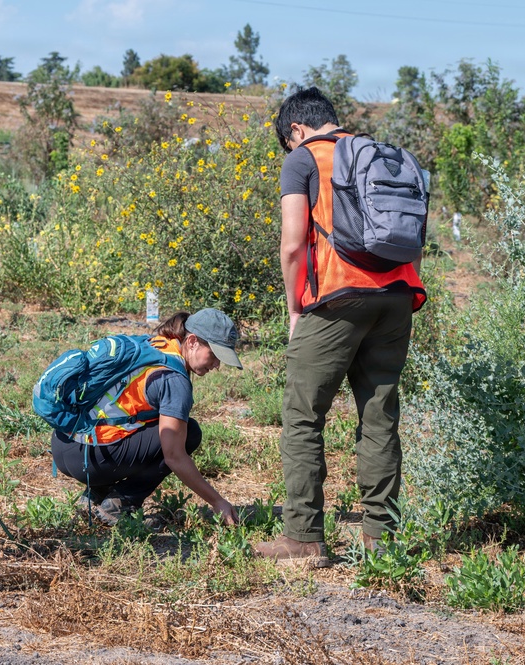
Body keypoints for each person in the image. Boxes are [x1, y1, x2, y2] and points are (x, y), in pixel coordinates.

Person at [255, 87, 427, 567]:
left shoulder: (304, 158)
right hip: (397, 295)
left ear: (296, 130)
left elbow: (293, 245)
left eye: (288, 142)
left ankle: (304, 537)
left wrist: (295, 308)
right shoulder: (378, 154)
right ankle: (382, 541)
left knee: (303, 415)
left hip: (337, 295)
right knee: (379, 417)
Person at [51, 309, 242, 527]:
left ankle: (96, 494)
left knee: (157, 425)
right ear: (192, 341)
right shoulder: (174, 380)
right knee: (188, 434)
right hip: (88, 458)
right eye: (215, 355)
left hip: (65, 443)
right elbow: (174, 457)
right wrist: (217, 501)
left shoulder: (155, 344)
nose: (217, 365)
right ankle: (119, 504)